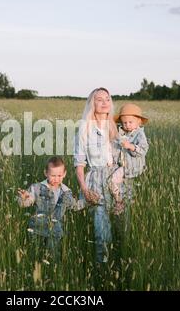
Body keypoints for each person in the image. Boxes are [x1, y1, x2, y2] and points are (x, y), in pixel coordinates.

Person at [73, 87, 119, 264]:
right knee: (102, 231)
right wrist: (85, 190)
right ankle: (102, 271)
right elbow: (79, 164)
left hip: (117, 182)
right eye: (99, 99)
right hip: (96, 183)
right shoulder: (85, 129)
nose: (104, 102)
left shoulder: (116, 127)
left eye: (107, 99)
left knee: (120, 229)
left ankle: (118, 266)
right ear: (92, 103)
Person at [17, 156, 84, 262]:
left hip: (55, 231)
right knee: (35, 256)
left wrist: (87, 201)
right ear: (46, 173)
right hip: (37, 229)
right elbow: (26, 203)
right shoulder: (37, 188)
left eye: (59, 175)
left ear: (64, 174)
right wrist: (24, 198)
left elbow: (75, 206)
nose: (56, 179)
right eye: (53, 175)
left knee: (53, 256)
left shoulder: (66, 192)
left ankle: (52, 274)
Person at [108, 103, 149, 214]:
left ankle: (119, 201)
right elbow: (114, 146)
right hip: (121, 164)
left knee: (112, 181)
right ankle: (129, 205)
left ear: (139, 122)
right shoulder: (120, 133)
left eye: (131, 122)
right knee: (126, 186)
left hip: (131, 166)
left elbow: (143, 149)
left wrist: (131, 147)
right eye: (124, 122)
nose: (127, 125)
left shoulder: (139, 134)